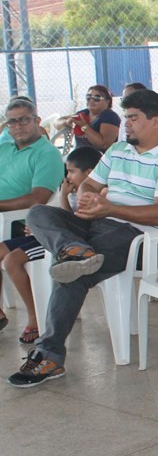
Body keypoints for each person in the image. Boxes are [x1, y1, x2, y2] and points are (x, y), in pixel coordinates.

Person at [8, 90, 158, 387]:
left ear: (156, 121)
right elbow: (90, 185)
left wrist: (110, 207)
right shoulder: (118, 149)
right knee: (39, 214)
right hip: (99, 224)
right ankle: (74, 249)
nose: (126, 125)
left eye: (133, 118)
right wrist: (87, 201)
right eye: (125, 118)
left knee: (72, 273)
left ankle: (49, 355)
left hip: (141, 240)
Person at [0, 146, 101, 345]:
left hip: (61, 242)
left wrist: (63, 196)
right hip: (44, 234)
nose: (68, 177)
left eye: (71, 171)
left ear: (89, 173)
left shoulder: (91, 195)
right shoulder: (74, 190)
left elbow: (73, 224)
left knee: (12, 261)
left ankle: (35, 318)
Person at [0, 98, 64, 215]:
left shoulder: (48, 154)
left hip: (12, 221)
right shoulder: (4, 148)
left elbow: (37, 200)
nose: (18, 126)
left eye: (24, 120)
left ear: (37, 121)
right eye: (12, 122)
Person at [56, 85, 120, 152]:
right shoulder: (84, 113)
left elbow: (103, 145)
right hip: (79, 155)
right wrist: (66, 122)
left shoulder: (110, 116)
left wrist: (84, 126)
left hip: (99, 158)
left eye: (96, 98)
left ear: (107, 101)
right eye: (88, 97)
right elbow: (57, 123)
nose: (91, 101)